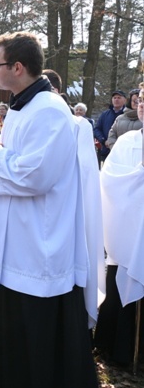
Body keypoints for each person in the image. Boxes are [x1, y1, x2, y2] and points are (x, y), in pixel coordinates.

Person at [0, 31, 98, 387]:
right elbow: (16, 162)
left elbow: (37, 174)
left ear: (18, 67)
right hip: (19, 237)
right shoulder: (22, 106)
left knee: (35, 329)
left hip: (39, 240)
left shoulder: (50, 110)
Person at [94, 96, 144, 366]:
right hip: (126, 227)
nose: (143, 106)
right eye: (142, 101)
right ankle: (112, 347)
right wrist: (138, 178)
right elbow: (109, 180)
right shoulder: (127, 142)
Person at [94, 90, 127, 165]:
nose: (116, 100)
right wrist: (103, 140)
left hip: (123, 151)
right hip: (106, 151)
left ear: (124, 100)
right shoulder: (105, 114)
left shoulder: (128, 114)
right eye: (114, 98)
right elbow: (97, 129)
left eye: (119, 98)